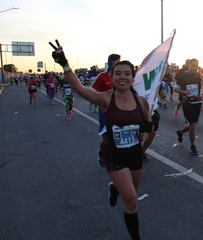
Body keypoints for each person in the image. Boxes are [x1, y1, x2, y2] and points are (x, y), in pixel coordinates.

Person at [50, 40, 153, 240]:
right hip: (114, 155)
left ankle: (114, 188)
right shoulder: (106, 99)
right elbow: (78, 87)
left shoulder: (141, 102)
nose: (123, 77)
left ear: (133, 77)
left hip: (134, 155)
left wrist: (148, 129)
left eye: (127, 73)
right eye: (118, 73)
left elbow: (146, 126)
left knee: (129, 192)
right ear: (112, 77)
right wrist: (64, 63)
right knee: (131, 200)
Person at [91, 53, 121, 167]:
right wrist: (106, 94)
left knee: (118, 135)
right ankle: (102, 152)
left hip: (119, 110)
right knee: (106, 137)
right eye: (117, 62)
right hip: (105, 111)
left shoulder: (119, 76)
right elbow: (92, 91)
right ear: (111, 63)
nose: (119, 64)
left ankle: (116, 157)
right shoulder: (102, 76)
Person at [174, 58, 203, 155]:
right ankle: (193, 146)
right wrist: (184, 91)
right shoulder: (183, 75)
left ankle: (180, 132)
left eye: (196, 65)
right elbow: (175, 88)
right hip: (187, 102)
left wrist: (201, 73)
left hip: (197, 102)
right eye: (193, 65)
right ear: (189, 65)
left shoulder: (198, 75)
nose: (195, 67)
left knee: (192, 124)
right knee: (192, 124)